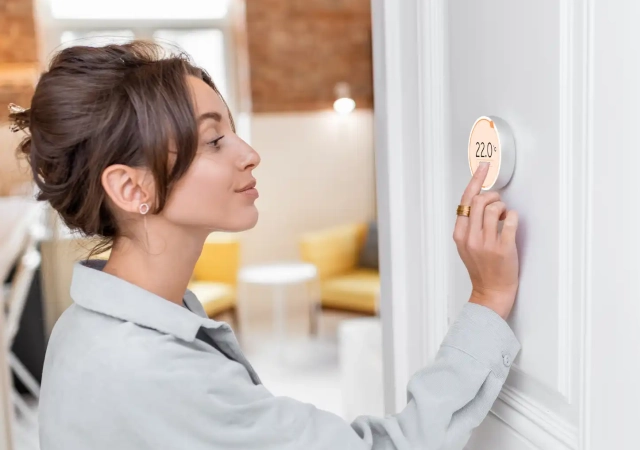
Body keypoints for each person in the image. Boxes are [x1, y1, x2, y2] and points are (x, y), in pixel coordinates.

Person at [7, 41, 521, 449]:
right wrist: (487, 300)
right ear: (131, 188)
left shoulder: (82, 327)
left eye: (233, 132)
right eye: (213, 141)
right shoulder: (153, 371)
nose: (250, 154)